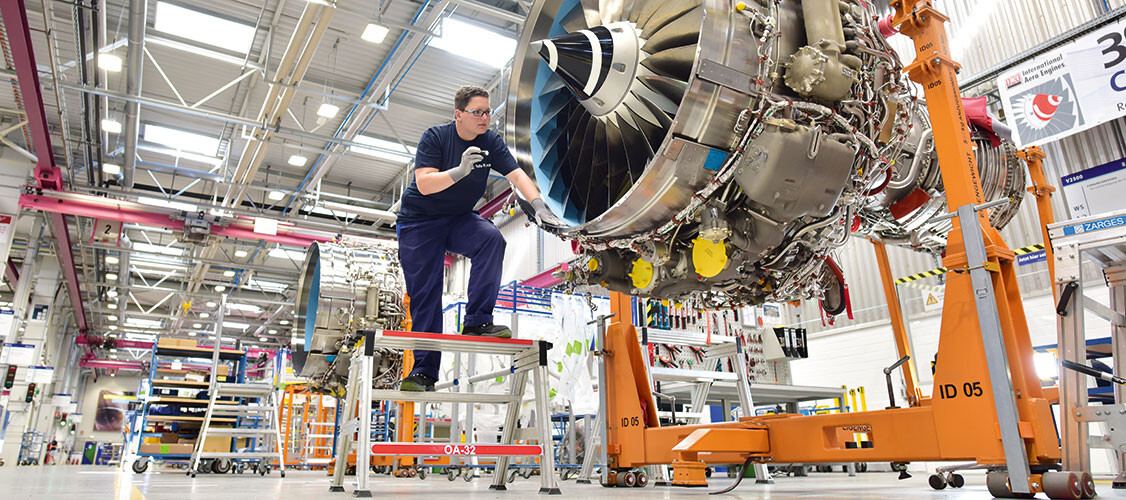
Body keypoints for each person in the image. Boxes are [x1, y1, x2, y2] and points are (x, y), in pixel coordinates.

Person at [395, 85, 566, 392]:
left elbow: (516, 175)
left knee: (491, 239)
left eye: (487, 112)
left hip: (457, 217)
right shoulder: (435, 137)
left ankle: (477, 321)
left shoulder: (490, 142)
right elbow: (424, 185)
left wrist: (539, 206)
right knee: (427, 295)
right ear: (458, 114)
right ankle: (423, 372)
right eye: (477, 112)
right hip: (419, 222)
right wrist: (460, 171)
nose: (484, 118)